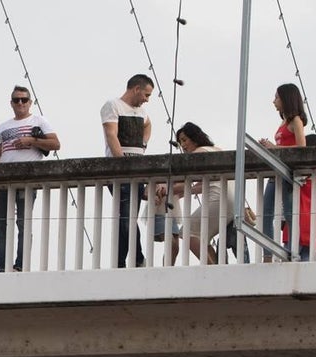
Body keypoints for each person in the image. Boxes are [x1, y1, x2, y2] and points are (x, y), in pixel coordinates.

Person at [0, 86, 60, 271]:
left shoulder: (39, 120)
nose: (20, 103)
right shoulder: (3, 126)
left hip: (27, 180)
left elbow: (55, 143)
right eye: (16, 100)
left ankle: (20, 264)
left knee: (23, 222)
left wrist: (31, 141)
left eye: (24, 99)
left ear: (30, 102)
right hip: (4, 180)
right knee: (1, 224)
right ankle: (3, 265)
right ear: (11, 103)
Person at [153, 121, 235, 265]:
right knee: (202, 235)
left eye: (184, 140)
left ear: (194, 138)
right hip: (231, 200)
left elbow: (186, 181)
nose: (183, 145)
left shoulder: (199, 153)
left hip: (218, 197)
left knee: (187, 231)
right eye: (180, 142)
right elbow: (200, 186)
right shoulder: (216, 149)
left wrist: (167, 190)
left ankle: (210, 268)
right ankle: (217, 268)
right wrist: (174, 192)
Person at [101, 74, 154, 268]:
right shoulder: (113, 105)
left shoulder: (142, 112)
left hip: (138, 167)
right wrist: (121, 162)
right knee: (127, 216)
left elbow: (148, 125)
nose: (147, 99)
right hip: (120, 167)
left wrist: (143, 143)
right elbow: (111, 134)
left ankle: (124, 261)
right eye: (146, 95)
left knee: (128, 216)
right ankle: (132, 259)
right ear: (136, 89)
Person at [259, 83, 308, 260]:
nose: (274, 101)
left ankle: (293, 248)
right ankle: (268, 252)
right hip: (276, 172)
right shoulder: (284, 121)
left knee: (289, 212)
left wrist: (274, 148)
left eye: (277, 97)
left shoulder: (295, 121)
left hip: (287, 172)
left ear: (286, 99)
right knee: (265, 212)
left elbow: (302, 146)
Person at [285, 133, 316, 260]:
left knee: (287, 269)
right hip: (314, 230)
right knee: (305, 272)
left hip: (296, 228)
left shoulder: (301, 175)